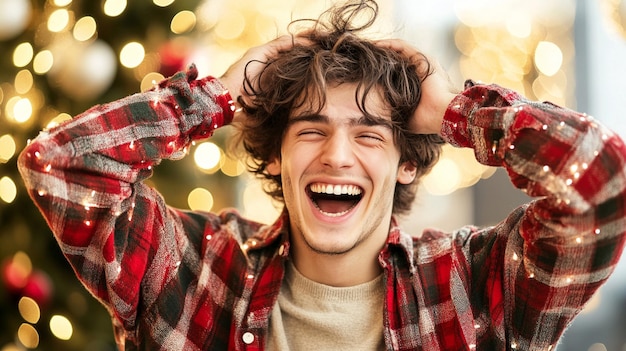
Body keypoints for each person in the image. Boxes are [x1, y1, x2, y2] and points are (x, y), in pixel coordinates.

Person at [18, 0, 626, 350]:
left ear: (407, 159)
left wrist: (452, 111)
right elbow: (64, 166)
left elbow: (601, 183)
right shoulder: (196, 270)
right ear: (276, 155)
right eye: (310, 128)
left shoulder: (474, 288)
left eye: (368, 134)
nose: (337, 153)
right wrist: (217, 97)